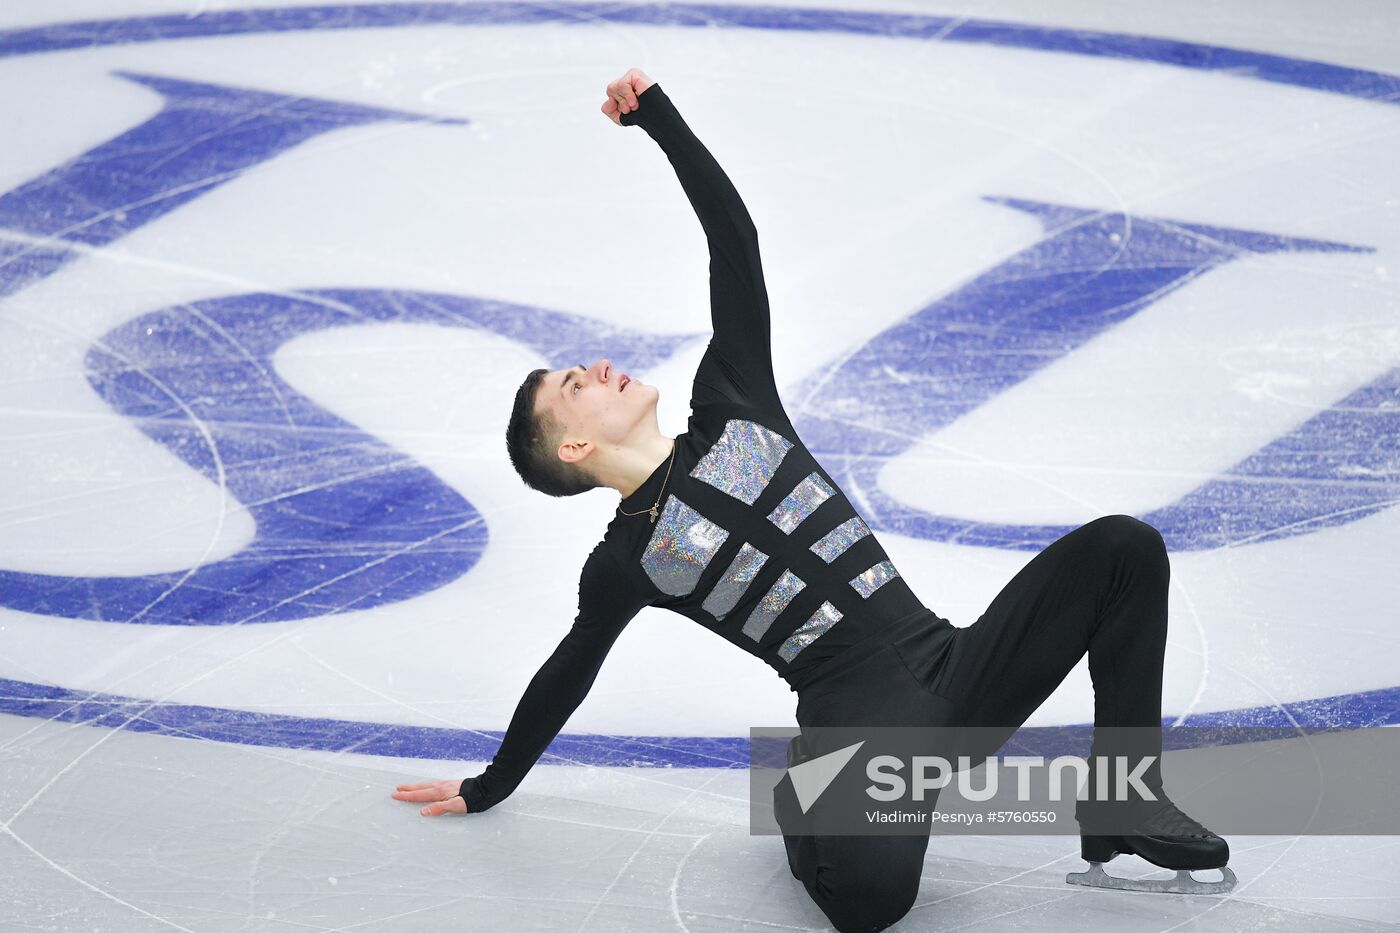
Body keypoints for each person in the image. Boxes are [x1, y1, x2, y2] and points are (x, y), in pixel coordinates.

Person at [392, 67, 1233, 931]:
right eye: (577, 382)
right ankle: (807, 797)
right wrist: (489, 784)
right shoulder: (625, 559)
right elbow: (568, 671)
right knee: (869, 905)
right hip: (864, 733)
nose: (600, 367)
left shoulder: (734, 400)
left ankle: (1124, 801)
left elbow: (735, 239)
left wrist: (659, 121)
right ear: (575, 446)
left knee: (1124, 549)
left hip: (959, 669)